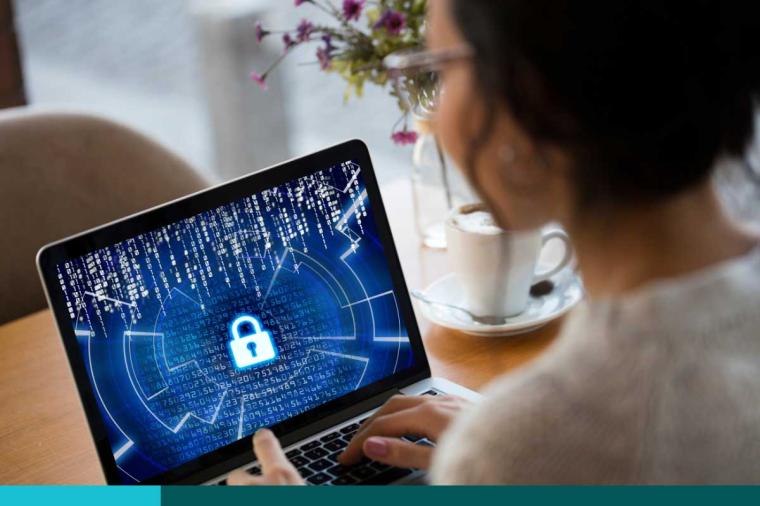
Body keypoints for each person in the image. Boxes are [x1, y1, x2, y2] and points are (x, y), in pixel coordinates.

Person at [229, 0, 760, 484]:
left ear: (529, 97)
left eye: (439, 68)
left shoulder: (527, 448)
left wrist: (509, 450)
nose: (432, 121)